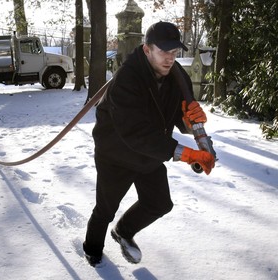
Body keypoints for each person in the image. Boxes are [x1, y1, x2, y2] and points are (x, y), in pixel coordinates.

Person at [83, 21, 215, 267]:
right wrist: (185, 154)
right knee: (105, 209)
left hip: (150, 153)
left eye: (175, 52)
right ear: (146, 50)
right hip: (116, 154)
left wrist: (188, 121)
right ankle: (92, 251)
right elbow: (135, 133)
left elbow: (178, 115)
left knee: (159, 203)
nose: (170, 58)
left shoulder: (177, 76)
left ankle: (123, 231)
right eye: (163, 51)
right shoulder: (127, 79)